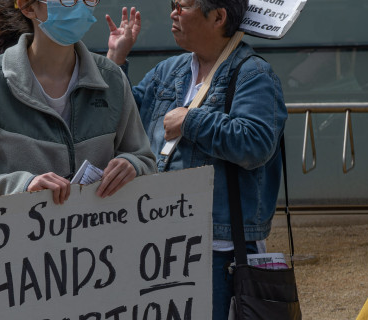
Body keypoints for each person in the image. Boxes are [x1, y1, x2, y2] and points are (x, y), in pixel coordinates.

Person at [105, 1, 287, 319]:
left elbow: (256, 144)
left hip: (219, 249)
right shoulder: (170, 71)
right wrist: (115, 60)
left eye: (183, 6)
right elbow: (120, 120)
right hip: (159, 240)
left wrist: (191, 121)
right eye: (172, 5)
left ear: (218, 17)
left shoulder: (253, 74)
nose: (173, 13)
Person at [0, 0, 156, 210]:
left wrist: (132, 164)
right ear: (27, 7)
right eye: (66, 0)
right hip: (18, 250)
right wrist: (22, 186)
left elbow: (145, 159)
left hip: (99, 249)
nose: (80, 7)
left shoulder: (112, 79)